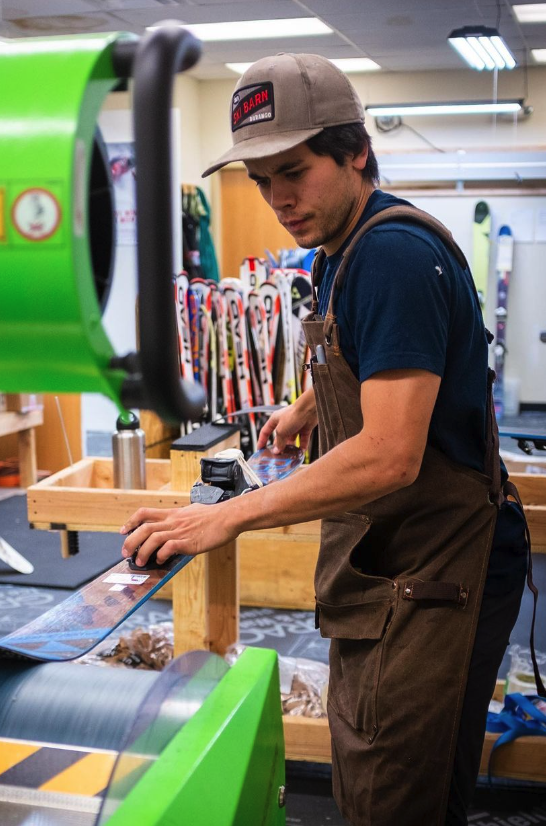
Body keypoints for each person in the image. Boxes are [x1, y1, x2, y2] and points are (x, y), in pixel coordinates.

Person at [120, 53, 537, 826]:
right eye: (260, 180)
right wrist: (313, 401)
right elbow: (398, 352)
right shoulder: (351, 247)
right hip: (394, 566)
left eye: (294, 170)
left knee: (393, 794)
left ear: (354, 152)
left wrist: (229, 515)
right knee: (381, 771)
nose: (279, 198)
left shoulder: (390, 255)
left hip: (436, 570)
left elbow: (387, 453)